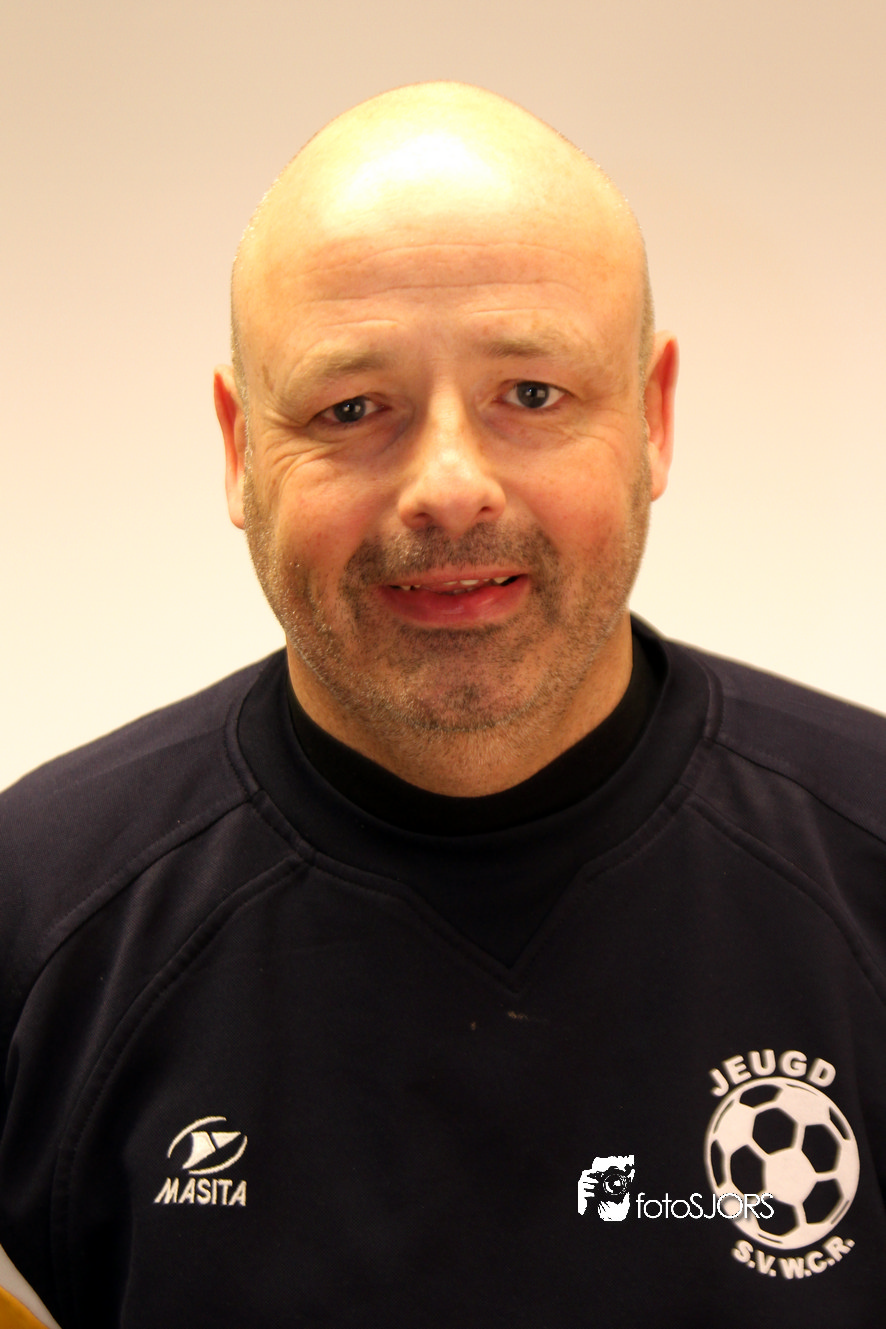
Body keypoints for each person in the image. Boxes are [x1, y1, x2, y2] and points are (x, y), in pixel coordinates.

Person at [1, 81, 885, 1328]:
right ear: (240, 448)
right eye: (352, 409)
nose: (450, 487)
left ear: (651, 418)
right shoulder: (36, 925)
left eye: (532, 394)